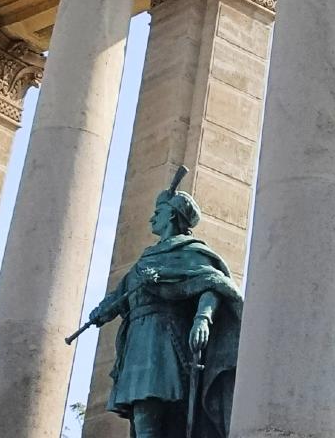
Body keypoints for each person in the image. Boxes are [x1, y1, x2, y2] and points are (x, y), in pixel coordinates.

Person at [84, 185, 243, 438]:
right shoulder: (146, 258)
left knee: (153, 408)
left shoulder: (191, 252)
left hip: (165, 338)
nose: (151, 217)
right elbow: (122, 295)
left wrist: (203, 319)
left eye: (158, 212)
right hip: (138, 340)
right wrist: (103, 311)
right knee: (142, 412)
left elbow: (212, 284)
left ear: (171, 215)